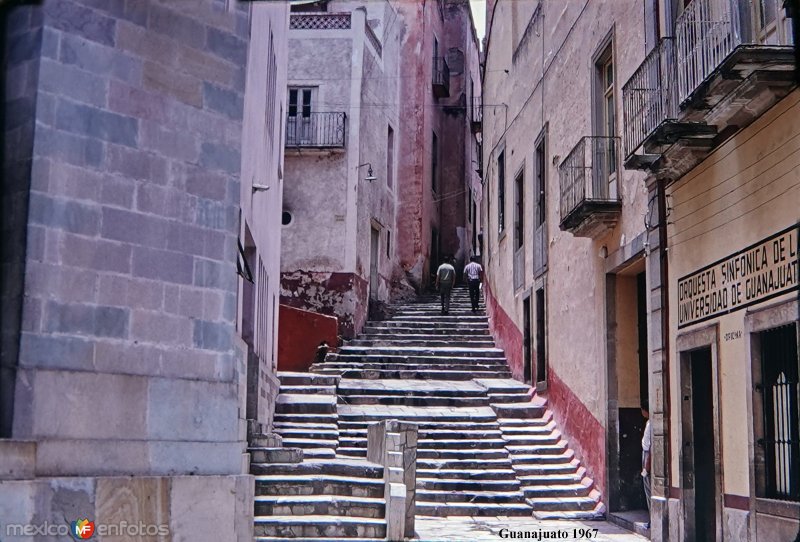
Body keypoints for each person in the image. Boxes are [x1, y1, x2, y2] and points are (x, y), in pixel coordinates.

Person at [641, 403, 652, 528]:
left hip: (647, 455)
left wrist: (646, 466)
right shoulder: (649, 422)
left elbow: (649, 447)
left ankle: (652, 519)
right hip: (646, 454)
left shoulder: (650, 424)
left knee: (648, 489)